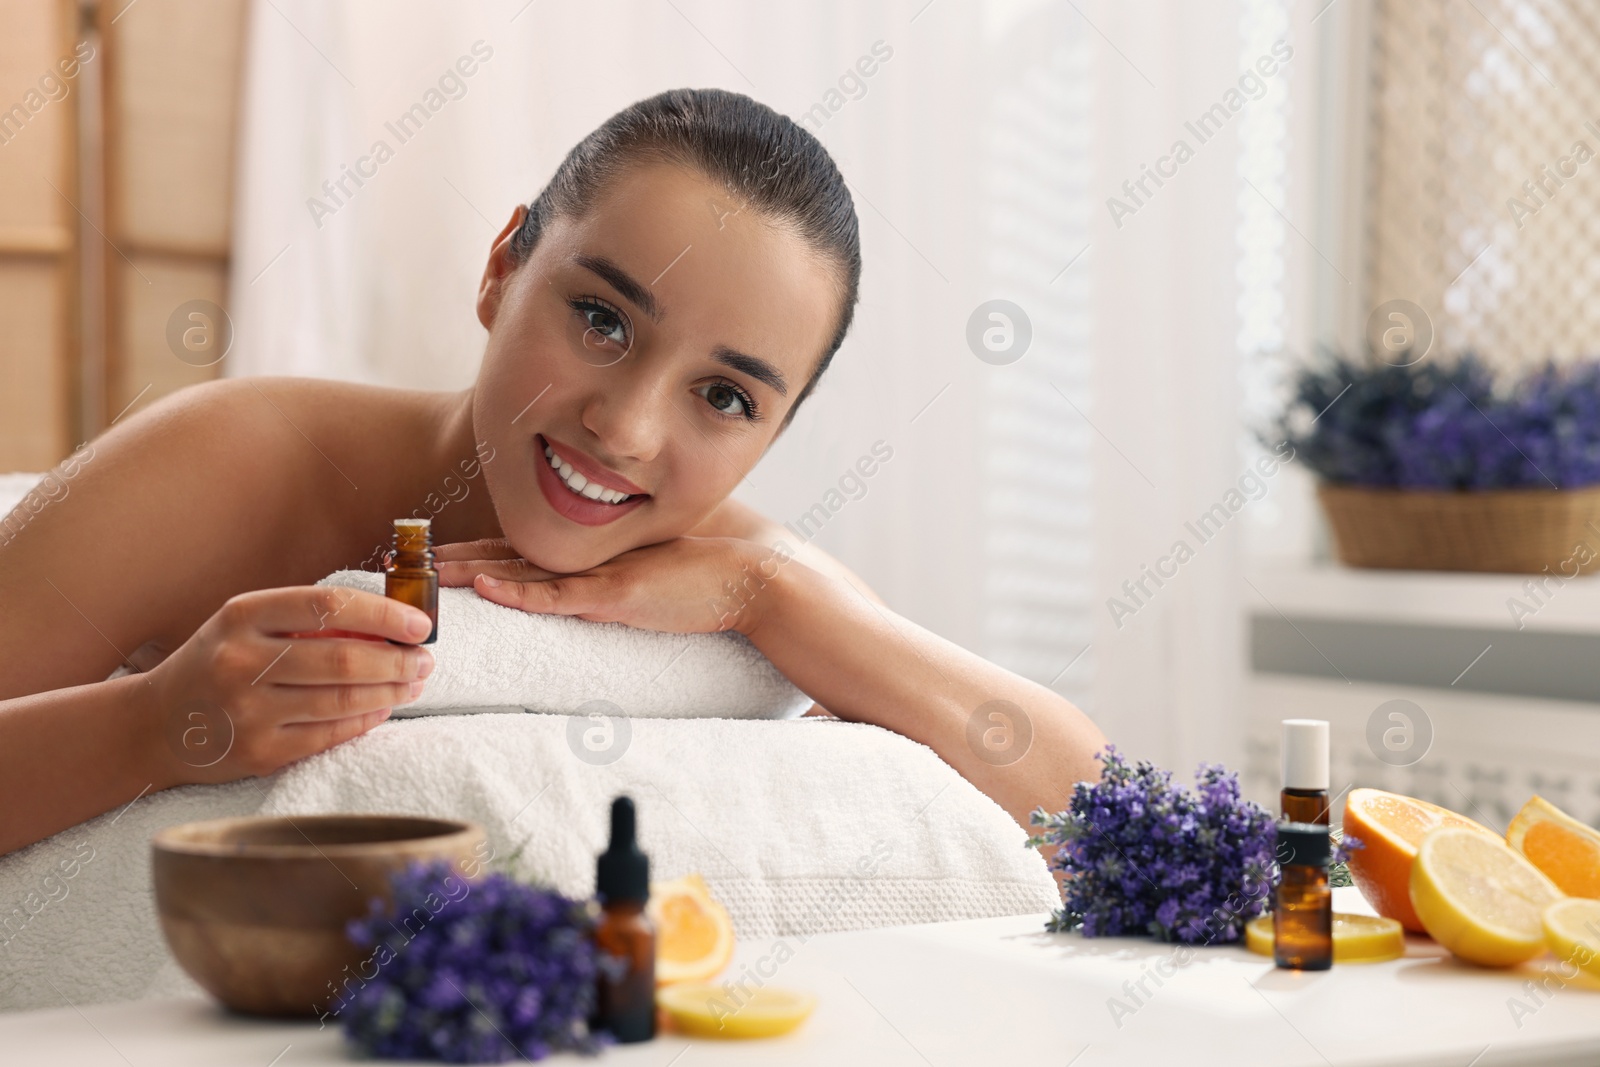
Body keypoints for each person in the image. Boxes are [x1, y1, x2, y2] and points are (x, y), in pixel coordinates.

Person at [0, 88, 1106, 858]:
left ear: (774, 430)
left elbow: (1105, 812)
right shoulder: (239, 459)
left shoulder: (742, 571)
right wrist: (155, 722)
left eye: (724, 397)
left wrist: (773, 593)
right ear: (501, 267)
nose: (623, 427)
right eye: (600, 317)